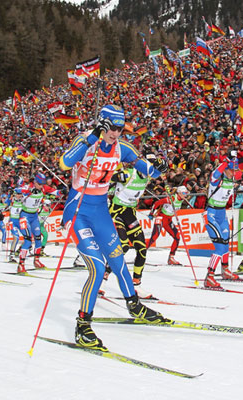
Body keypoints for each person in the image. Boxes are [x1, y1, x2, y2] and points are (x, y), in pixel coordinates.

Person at [59, 104, 167, 350]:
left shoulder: (123, 148)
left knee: (118, 260)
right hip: (77, 211)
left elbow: (148, 170)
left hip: (101, 213)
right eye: (112, 127)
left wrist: (158, 168)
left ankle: (134, 304)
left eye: (120, 128)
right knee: (97, 267)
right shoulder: (86, 140)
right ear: (102, 123)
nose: (116, 133)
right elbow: (65, 163)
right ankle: (83, 325)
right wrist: (92, 138)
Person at [106, 153, 167, 286]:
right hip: (116, 212)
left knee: (141, 249)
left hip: (130, 214)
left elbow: (162, 170)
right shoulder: (128, 174)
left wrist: (161, 165)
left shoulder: (148, 176)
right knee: (124, 246)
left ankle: (136, 282)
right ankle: (104, 275)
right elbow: (107, 179)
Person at [202, 157, 241, 289]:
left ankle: (225, 270)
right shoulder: (217, 180)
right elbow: (215, 174)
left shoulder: (232, 179)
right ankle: (209, 277)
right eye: (232, 170)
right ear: (226, 169)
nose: (234, 173)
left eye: (235, 170)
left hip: (222, 214)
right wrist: (225, 162)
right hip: (211, 214)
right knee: (218, 247)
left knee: (225, 243)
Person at [145, 185, 190, 265]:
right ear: (179, 193)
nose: (185, 195)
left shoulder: (181, 200)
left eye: (186, 193)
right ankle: (141, 254)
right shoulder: (172, 199)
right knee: (154, 237)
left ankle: (171, 258)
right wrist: (151, 213)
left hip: (168, 220)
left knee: (177, 237)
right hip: (161, 218)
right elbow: (157, 203)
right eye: (184, 193)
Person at [15, 175, 48, 273]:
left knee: (38, 239)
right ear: (35, 182)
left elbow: (53, 191)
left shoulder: (42, 190)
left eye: (43, 184)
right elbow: (17, 191)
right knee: (28, 240)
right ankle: (21, 265)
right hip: (25, 216)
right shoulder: (28, 188)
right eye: (40, 184)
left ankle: (36, 261)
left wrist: (60, 192)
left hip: (34, 217)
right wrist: (28, 192)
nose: (41, 186)